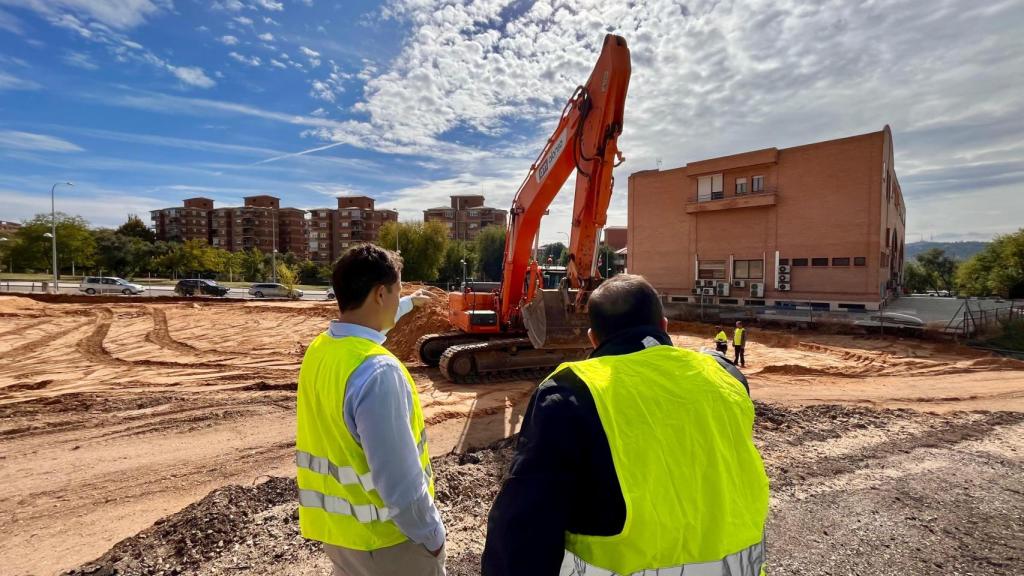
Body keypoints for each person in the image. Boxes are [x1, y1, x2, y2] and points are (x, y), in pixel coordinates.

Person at [482, 274, 768, 576]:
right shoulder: (727, 377)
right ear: (665, 326)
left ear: (593, 337)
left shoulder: (570, 394)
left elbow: (524, 534)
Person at [296, 244, 446, 576]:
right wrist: (433, 536)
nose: (398, 298)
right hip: (390, 543)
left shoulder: (322, 350)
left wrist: (408, 303)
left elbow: (366, 330)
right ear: (380, 294)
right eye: (397, 291)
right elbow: (400, 484)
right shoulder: (379, 372)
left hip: (341, 536)